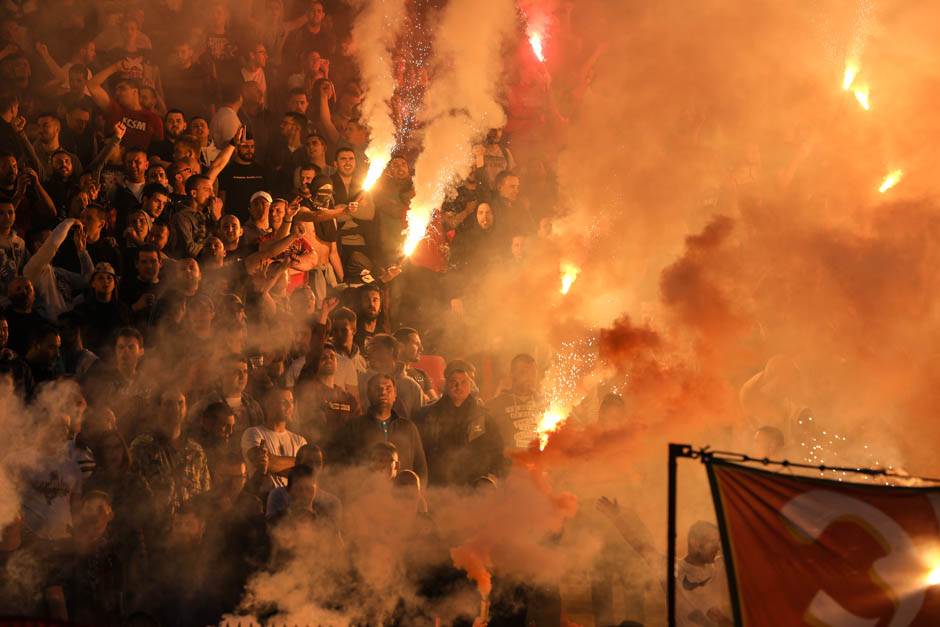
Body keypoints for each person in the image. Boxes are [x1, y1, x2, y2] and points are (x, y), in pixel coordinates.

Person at [596, 497, 732, 627]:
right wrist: (617, 519)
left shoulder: (721, 566)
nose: (718, 547)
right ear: (695, 543)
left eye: (718, 542)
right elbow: (640, 546)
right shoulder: (673, 570)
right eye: (712, 542)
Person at [416, 360, 505, 487]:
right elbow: (420, 452)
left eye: (464, 382)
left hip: (474, 486)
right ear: (446, 384)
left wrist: (494, 475)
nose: (459, 386)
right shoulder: (428, 416)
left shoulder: (483, 417)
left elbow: (496, 449)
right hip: (439, 487)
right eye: (454, 382)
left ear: (470, 385)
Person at [129, 390, 211, 525]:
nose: (175, 409)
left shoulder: (195, 451)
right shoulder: (142, 447)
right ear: (158, 409)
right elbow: (134, 493)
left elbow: (205, 492)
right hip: (154, 526)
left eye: (180, 403)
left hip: (188, 529)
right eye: (168, 404)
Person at [331, 373, 428, 487]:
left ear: (395, 395)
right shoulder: (354, 427)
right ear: (369, 394)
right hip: (365, 497)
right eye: (378, 388)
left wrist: (418, 495)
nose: (383, 392)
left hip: (403, 497)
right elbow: (341, 465)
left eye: (388, 388)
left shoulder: (408, 428)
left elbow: (421, 467)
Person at [241, 386, 307, 493]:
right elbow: (265, 462)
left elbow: (304, 473)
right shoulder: (253, 433)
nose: (290, 406)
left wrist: (274, 465)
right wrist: (298, 462)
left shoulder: (299, 440)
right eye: (284, 402)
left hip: (292, 499)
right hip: (264, 497)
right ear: (270, 405)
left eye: (291, 401)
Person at [358, 333, 424, 421]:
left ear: (391, 351)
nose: (369, 353)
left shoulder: (412, 387)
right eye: (368, 348)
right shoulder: (360, 381)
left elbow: (419, 421)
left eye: (375, 348)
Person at [488, 354, 545, 451]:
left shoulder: (545, 403)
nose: (529, 377)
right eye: (523, 372)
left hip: (539, 463)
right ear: (512, 373)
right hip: (509, 464)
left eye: (533, 373)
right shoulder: (496, 404)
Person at [218, 134, 268, 223]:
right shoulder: (227, 170)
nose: (250, 150)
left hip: (257, 223)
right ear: (236, 148)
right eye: (245, 146)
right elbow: (222, 199)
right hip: (234, 222)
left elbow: (267, 198)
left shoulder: (261, 170)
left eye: (252, 147)